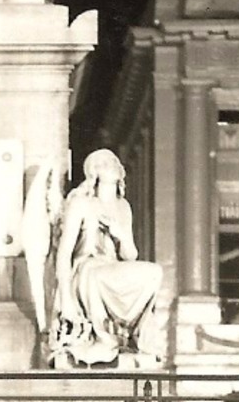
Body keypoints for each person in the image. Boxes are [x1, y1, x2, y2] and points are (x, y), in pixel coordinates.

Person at [53, 150, 163, 365]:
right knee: (97, 275)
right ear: (93, 172)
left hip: (111, 267)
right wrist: (65, 298)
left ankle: (138, 338)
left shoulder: (123, 207)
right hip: (87, 269)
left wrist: (119, 233)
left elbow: (130, 255)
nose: (111, 164)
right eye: (104, 162)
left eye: (114, 161)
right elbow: (64, 253)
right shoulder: (81, 204)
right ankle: (104, 338)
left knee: (154, 273)